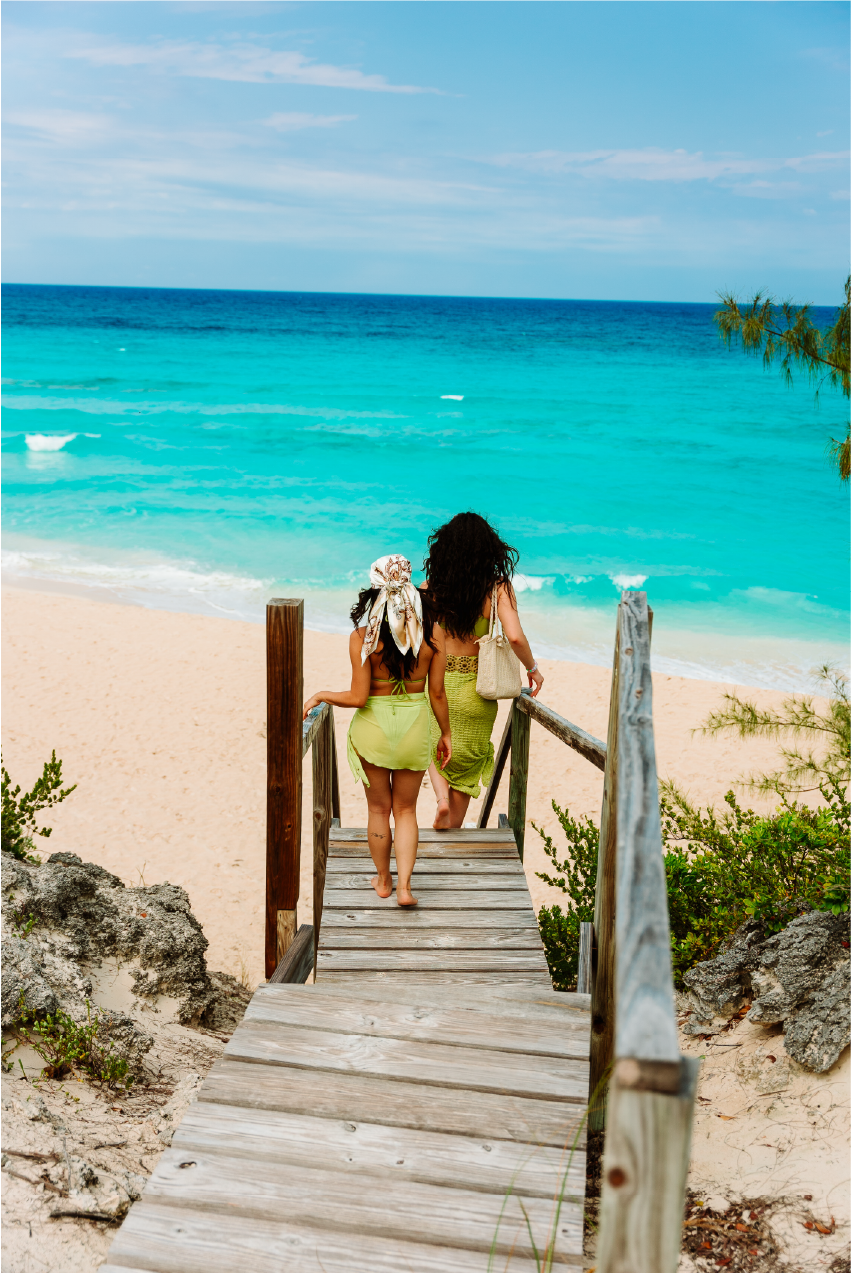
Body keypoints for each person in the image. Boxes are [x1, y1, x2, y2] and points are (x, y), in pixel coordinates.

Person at [303, 554, 451, 907]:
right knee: (406, 810)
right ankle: (405, 889)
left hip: (374, 727)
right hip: (415, 726)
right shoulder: (433, 633)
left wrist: (322, 693)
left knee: (378, 810)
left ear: (375, 588)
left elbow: (357, 697)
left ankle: (383, 881)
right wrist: (445, 733)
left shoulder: (361, 638)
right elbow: (438, 693)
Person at [422, 512, 543, 830]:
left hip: (437, 685)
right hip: (478, 690)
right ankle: (453, 823)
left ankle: (441, 801)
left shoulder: (429, 588)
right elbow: (515, 636)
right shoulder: (498, 588)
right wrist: (532, 669)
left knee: (432, 744)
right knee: (468, 762)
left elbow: (414, 639)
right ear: (488, 549)